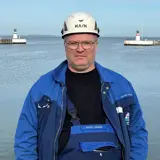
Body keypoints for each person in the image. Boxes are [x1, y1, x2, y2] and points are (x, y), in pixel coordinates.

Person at [14, 12, 148, 160]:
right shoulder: (42, 88)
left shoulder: (121, 86)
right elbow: (25, 139)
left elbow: (137, 133)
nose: (80, 49)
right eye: (73, 43)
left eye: (87, 42)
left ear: (96, 45)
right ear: (65, 44)